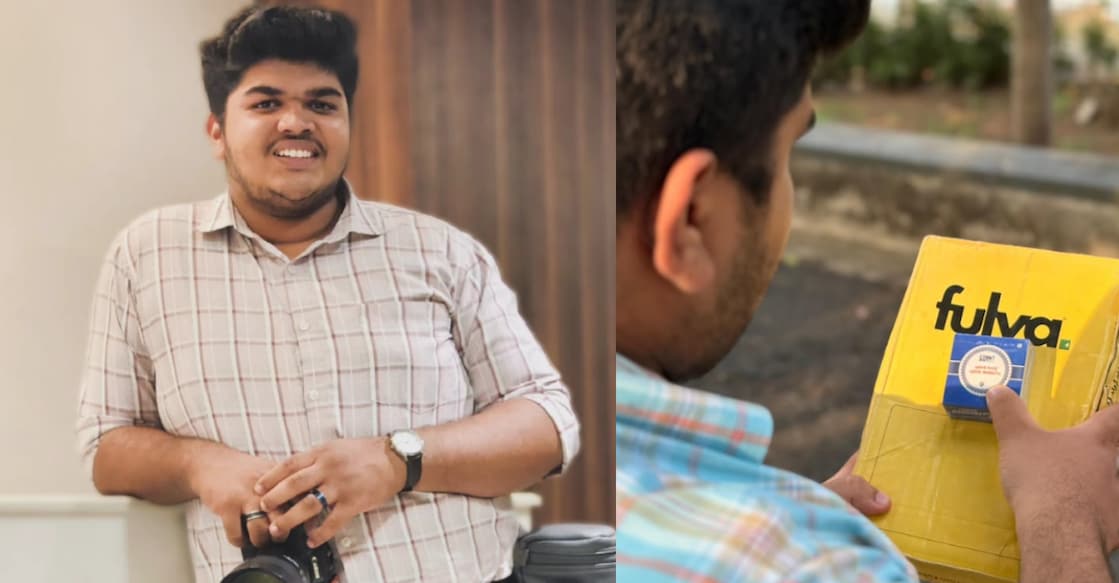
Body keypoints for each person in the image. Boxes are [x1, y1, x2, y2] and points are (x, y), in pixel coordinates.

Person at [615, 0, 1119, 581]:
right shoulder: (813, 566)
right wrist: (1063, 519)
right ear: (692, 219)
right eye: (787, 156)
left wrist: (782, 512)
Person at [76, 6, 579, 583]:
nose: (296, 122)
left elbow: (546, 424)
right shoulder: (146, 256)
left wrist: (398, 461)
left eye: (322, 104)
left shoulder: (440, 251)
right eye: (266, 103)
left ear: (347, 123)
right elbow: (108, 448)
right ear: (217, 131)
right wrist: (200, 464)